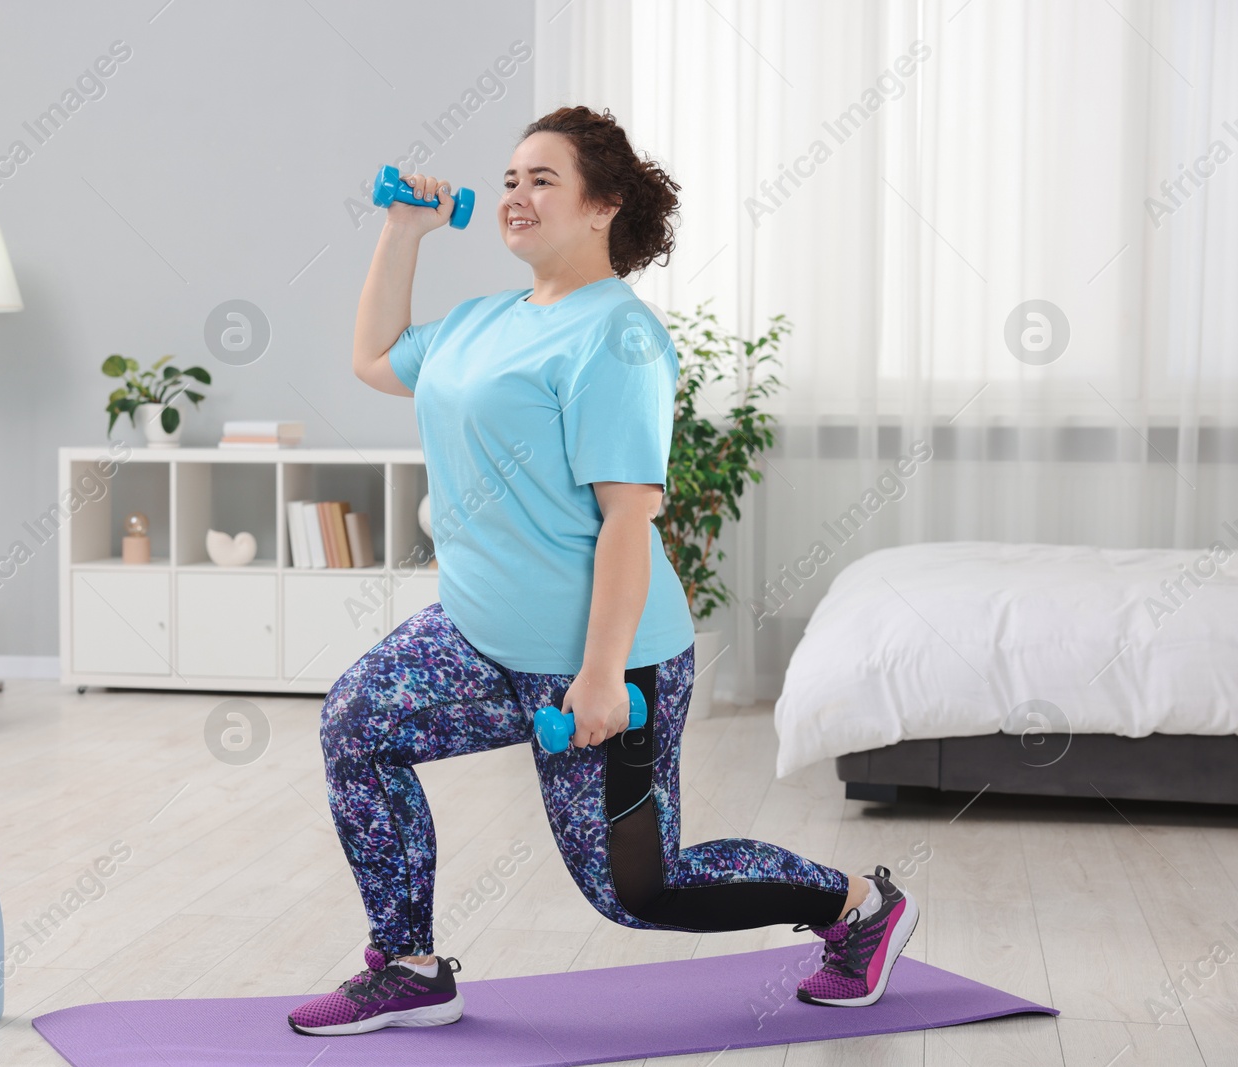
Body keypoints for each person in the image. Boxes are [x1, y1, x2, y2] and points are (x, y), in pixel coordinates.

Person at [287, 106, 918, 1037]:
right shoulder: (480, 322)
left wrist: (599, 675)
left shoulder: (616, 337)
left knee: (638, 888)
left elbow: (630, 516)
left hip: (605, 656)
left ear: (602, 206)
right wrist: (402, 230)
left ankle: (860, 908)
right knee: (357, 724)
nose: (516, 195)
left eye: (543, 179)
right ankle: (409, 964)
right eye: (508, 179)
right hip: (475, 633)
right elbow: (375, 358)